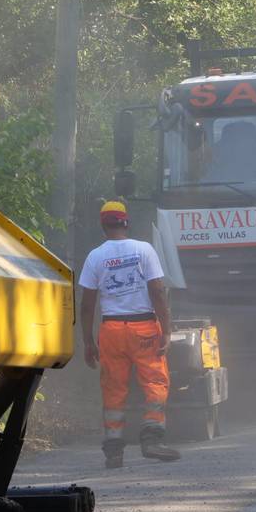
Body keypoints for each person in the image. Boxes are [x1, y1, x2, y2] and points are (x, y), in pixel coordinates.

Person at [79, 200, 180, 467]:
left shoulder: (95, 256)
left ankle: (114, 451)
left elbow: (87, 304)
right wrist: (166, 330)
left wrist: (88, 342)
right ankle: (152, 438)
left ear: (103, 226)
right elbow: (157, 291)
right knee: (155, 383)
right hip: (144, 327)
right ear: (126, 222)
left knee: (113, 389)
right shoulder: (144, 250)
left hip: (111, 330)